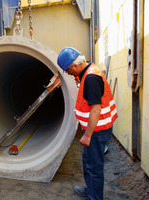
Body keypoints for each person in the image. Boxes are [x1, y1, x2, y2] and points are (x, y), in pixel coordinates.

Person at [57, 47, 118, 200]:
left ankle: (94, 197)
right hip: (94, 129)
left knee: (94, 167)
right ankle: (90, 190)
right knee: (87, 162)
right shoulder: (88, 72)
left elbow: (96, 109)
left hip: (96, 131)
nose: (69, 74)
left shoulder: (91, 79)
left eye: (69, 71)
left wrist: (88, 135)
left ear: (75, 66)